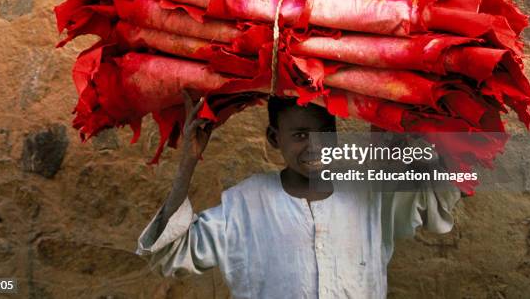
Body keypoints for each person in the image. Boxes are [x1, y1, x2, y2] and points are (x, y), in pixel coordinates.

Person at [135, 91, 461, 298]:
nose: (315, 145)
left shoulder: (370, 194)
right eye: (301, 135)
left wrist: (429, 134)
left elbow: (441, 192)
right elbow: (172, 251)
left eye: (325, 132)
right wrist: (188, 164)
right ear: (274, 138)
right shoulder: (245, 205)